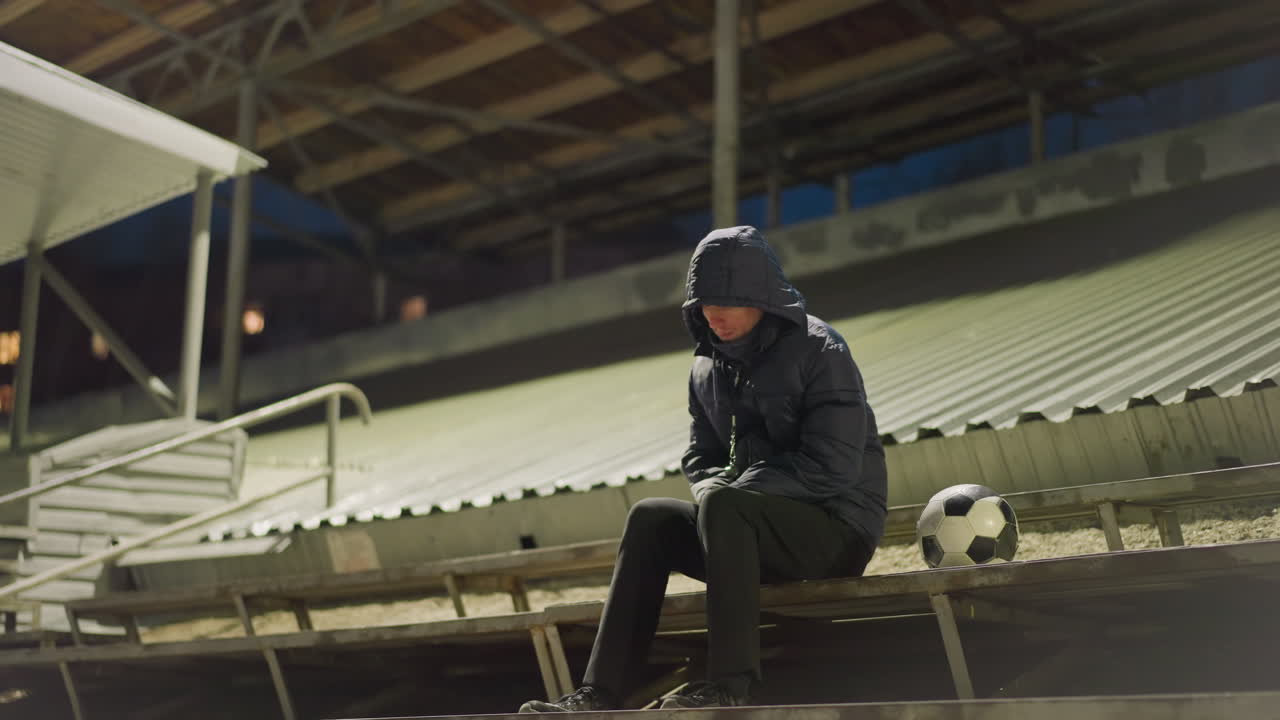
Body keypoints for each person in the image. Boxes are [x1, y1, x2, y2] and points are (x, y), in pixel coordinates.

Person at [520, 226, 887, 712]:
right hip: (743, 532)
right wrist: (718, 491)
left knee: (724, 503)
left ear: (761, 297)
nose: (714, 313)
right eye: (704, 302)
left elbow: (834, 466)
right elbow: (701, 458)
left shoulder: (820, 349)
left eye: (728, 300)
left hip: (835, 530)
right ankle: (599, 694)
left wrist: (731, 494)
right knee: (651, 517)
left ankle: (729, 686)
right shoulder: (706, 368)